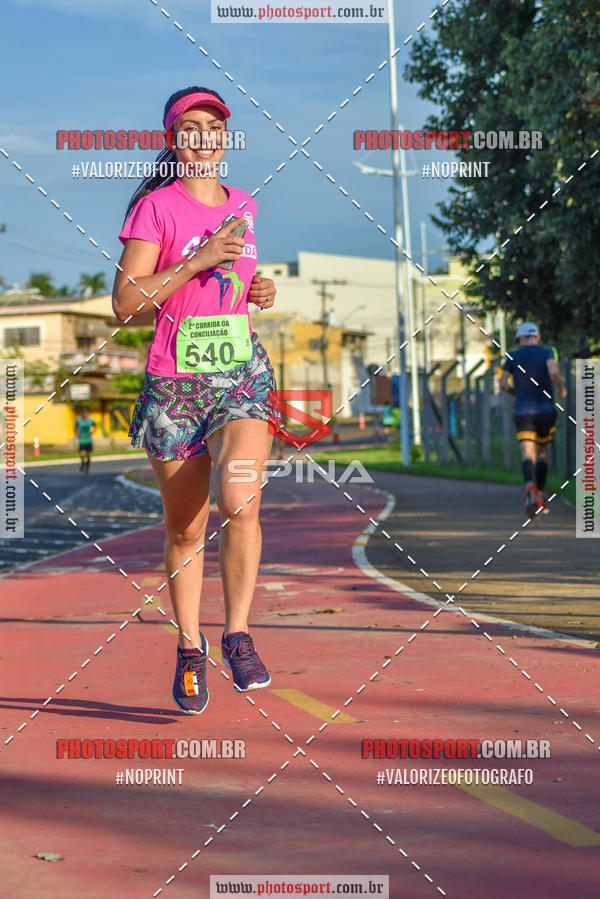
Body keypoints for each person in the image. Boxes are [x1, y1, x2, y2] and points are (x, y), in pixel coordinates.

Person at [112, 86, 280, 715]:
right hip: (174, 380)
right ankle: (189, 648)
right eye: (193, 125)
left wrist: (257, 288)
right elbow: (126, 305)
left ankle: (237, 634)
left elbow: (231, 285)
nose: (206, 134)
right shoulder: (156, 209)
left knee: (239, 499)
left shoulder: (246, 204)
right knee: (186, 530)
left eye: (216, 125)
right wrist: (200, 258)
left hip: (239, 370)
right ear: (175, 138)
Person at [499, 322, 566, 518]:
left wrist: (514, 392)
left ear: (520, 338)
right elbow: (553, 372)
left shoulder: (513, 355)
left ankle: (529, 485)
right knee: (542, 453)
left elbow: (502, 383)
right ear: (537, 336)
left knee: (527, 453)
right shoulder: (548, 351)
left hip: (522, 412)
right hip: (545, 410)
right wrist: (561, 388)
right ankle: (541, 498)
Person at [75, 407, 96, 474]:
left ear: (88, 414)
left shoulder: (90, 420)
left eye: (86, 414)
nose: (85, 415)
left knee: (88, 454)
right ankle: (83, 463)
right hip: (82, 439)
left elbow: (95, 426)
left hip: (88, 439)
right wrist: (77, 434)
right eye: (83, 414)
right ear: (82, 414)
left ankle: (87, 468)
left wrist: (92, 432)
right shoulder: (79, 420)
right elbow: (76, 427)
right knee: (82, 454)